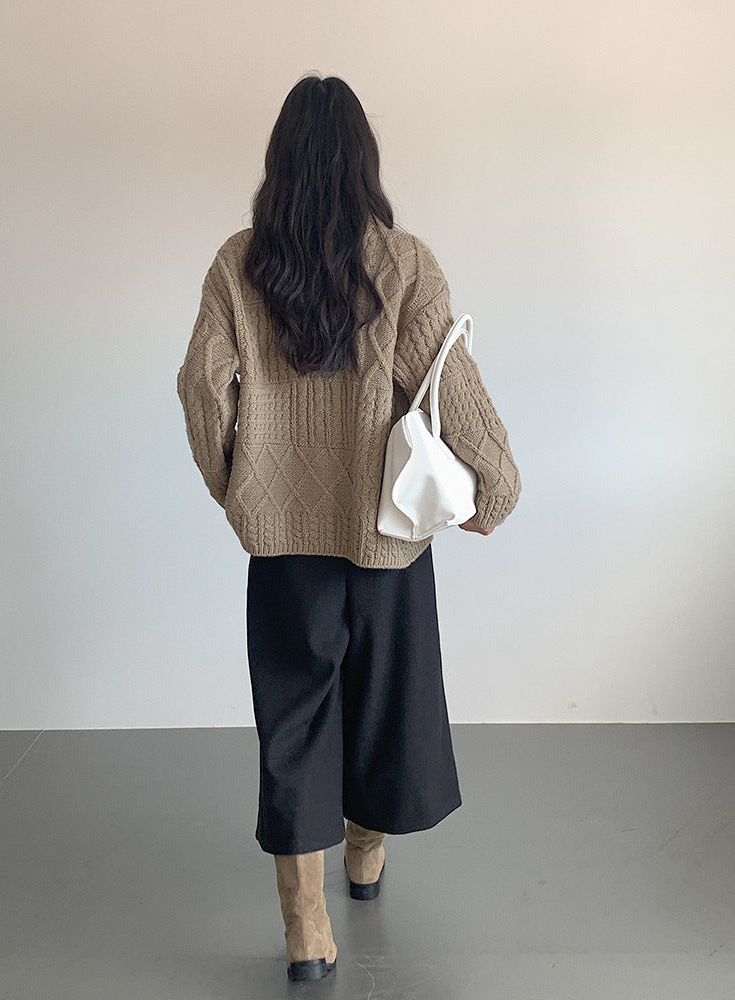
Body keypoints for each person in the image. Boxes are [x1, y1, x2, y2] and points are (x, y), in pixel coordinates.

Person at [176, 73, 522, 983]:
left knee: (294, 720)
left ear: (280, 162)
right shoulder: (404, 263)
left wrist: (236, 487)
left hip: (285, 549)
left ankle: (306, 930)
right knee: (386, 702)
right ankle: (365, 859)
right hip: (385, 541)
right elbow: (453, 385)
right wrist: (496, 489)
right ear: (363, 161)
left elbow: (201, 388)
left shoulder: (238, 264)